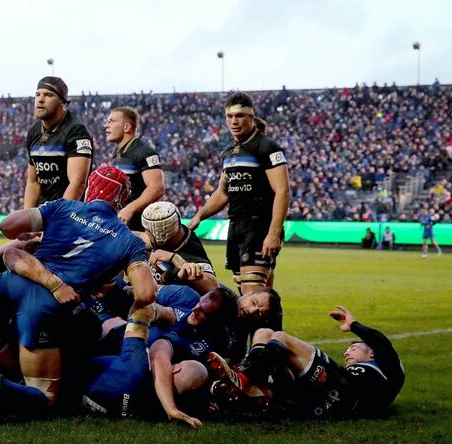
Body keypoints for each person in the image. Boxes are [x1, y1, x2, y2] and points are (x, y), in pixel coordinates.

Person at [0, 167, 157, 424]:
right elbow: (145, 292)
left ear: (90, 188)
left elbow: (8, 225)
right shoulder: (129, 241)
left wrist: (33, 235)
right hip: (44, 307)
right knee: (46, 398)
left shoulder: (63, 207)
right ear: (121, 200)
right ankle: (1, 386)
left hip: (14, 281)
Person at [210, 306, 405, 419]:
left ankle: (245, 380)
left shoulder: (390, 371)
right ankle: (245, 391)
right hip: (317, 399)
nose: (346, 353)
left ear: (372, 353)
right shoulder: (357, 371)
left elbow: (381, 342)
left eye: (353, 348)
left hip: (346, 395)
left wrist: (353, 325)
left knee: (280, 337)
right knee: (264, 333)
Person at [188, 92, 291, 294]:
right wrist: (199, 215)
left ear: (251, 118)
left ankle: (262, 327)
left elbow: (283, 191)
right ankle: (273, 326)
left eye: (240, 116)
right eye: (230, 116)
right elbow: (223, 192)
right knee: (253, 294)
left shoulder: (267, 147)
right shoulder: (229, 151)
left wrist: (273, 233)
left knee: (252, 297)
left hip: (259, 225)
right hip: (236, 226)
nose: (234, 121)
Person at [23, 76, 93, 207]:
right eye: (37, 95)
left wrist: (58, 219)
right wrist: (27, 218)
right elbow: (33, 182)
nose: (40, 100)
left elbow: (77, 183)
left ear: (62, 102)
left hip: (73, 213)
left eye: (48, 95)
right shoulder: (34, 131)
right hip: (46, 210)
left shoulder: (76, 131)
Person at [139, 201, 219, 294]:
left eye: (148, 230)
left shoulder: (190, 251)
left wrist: (175, 259)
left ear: (160, 234)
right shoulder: (171, 235)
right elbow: (139, 236)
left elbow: (214, 287)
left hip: (181, 302)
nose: (146, 232)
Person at [105, 107, 164, 230]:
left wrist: (129, 209)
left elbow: (157, 188)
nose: (106, 125)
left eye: (112, 121)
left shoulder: (144, 152)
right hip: (118, 222)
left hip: (138, 225)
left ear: (127, 127)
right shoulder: (116, 153)